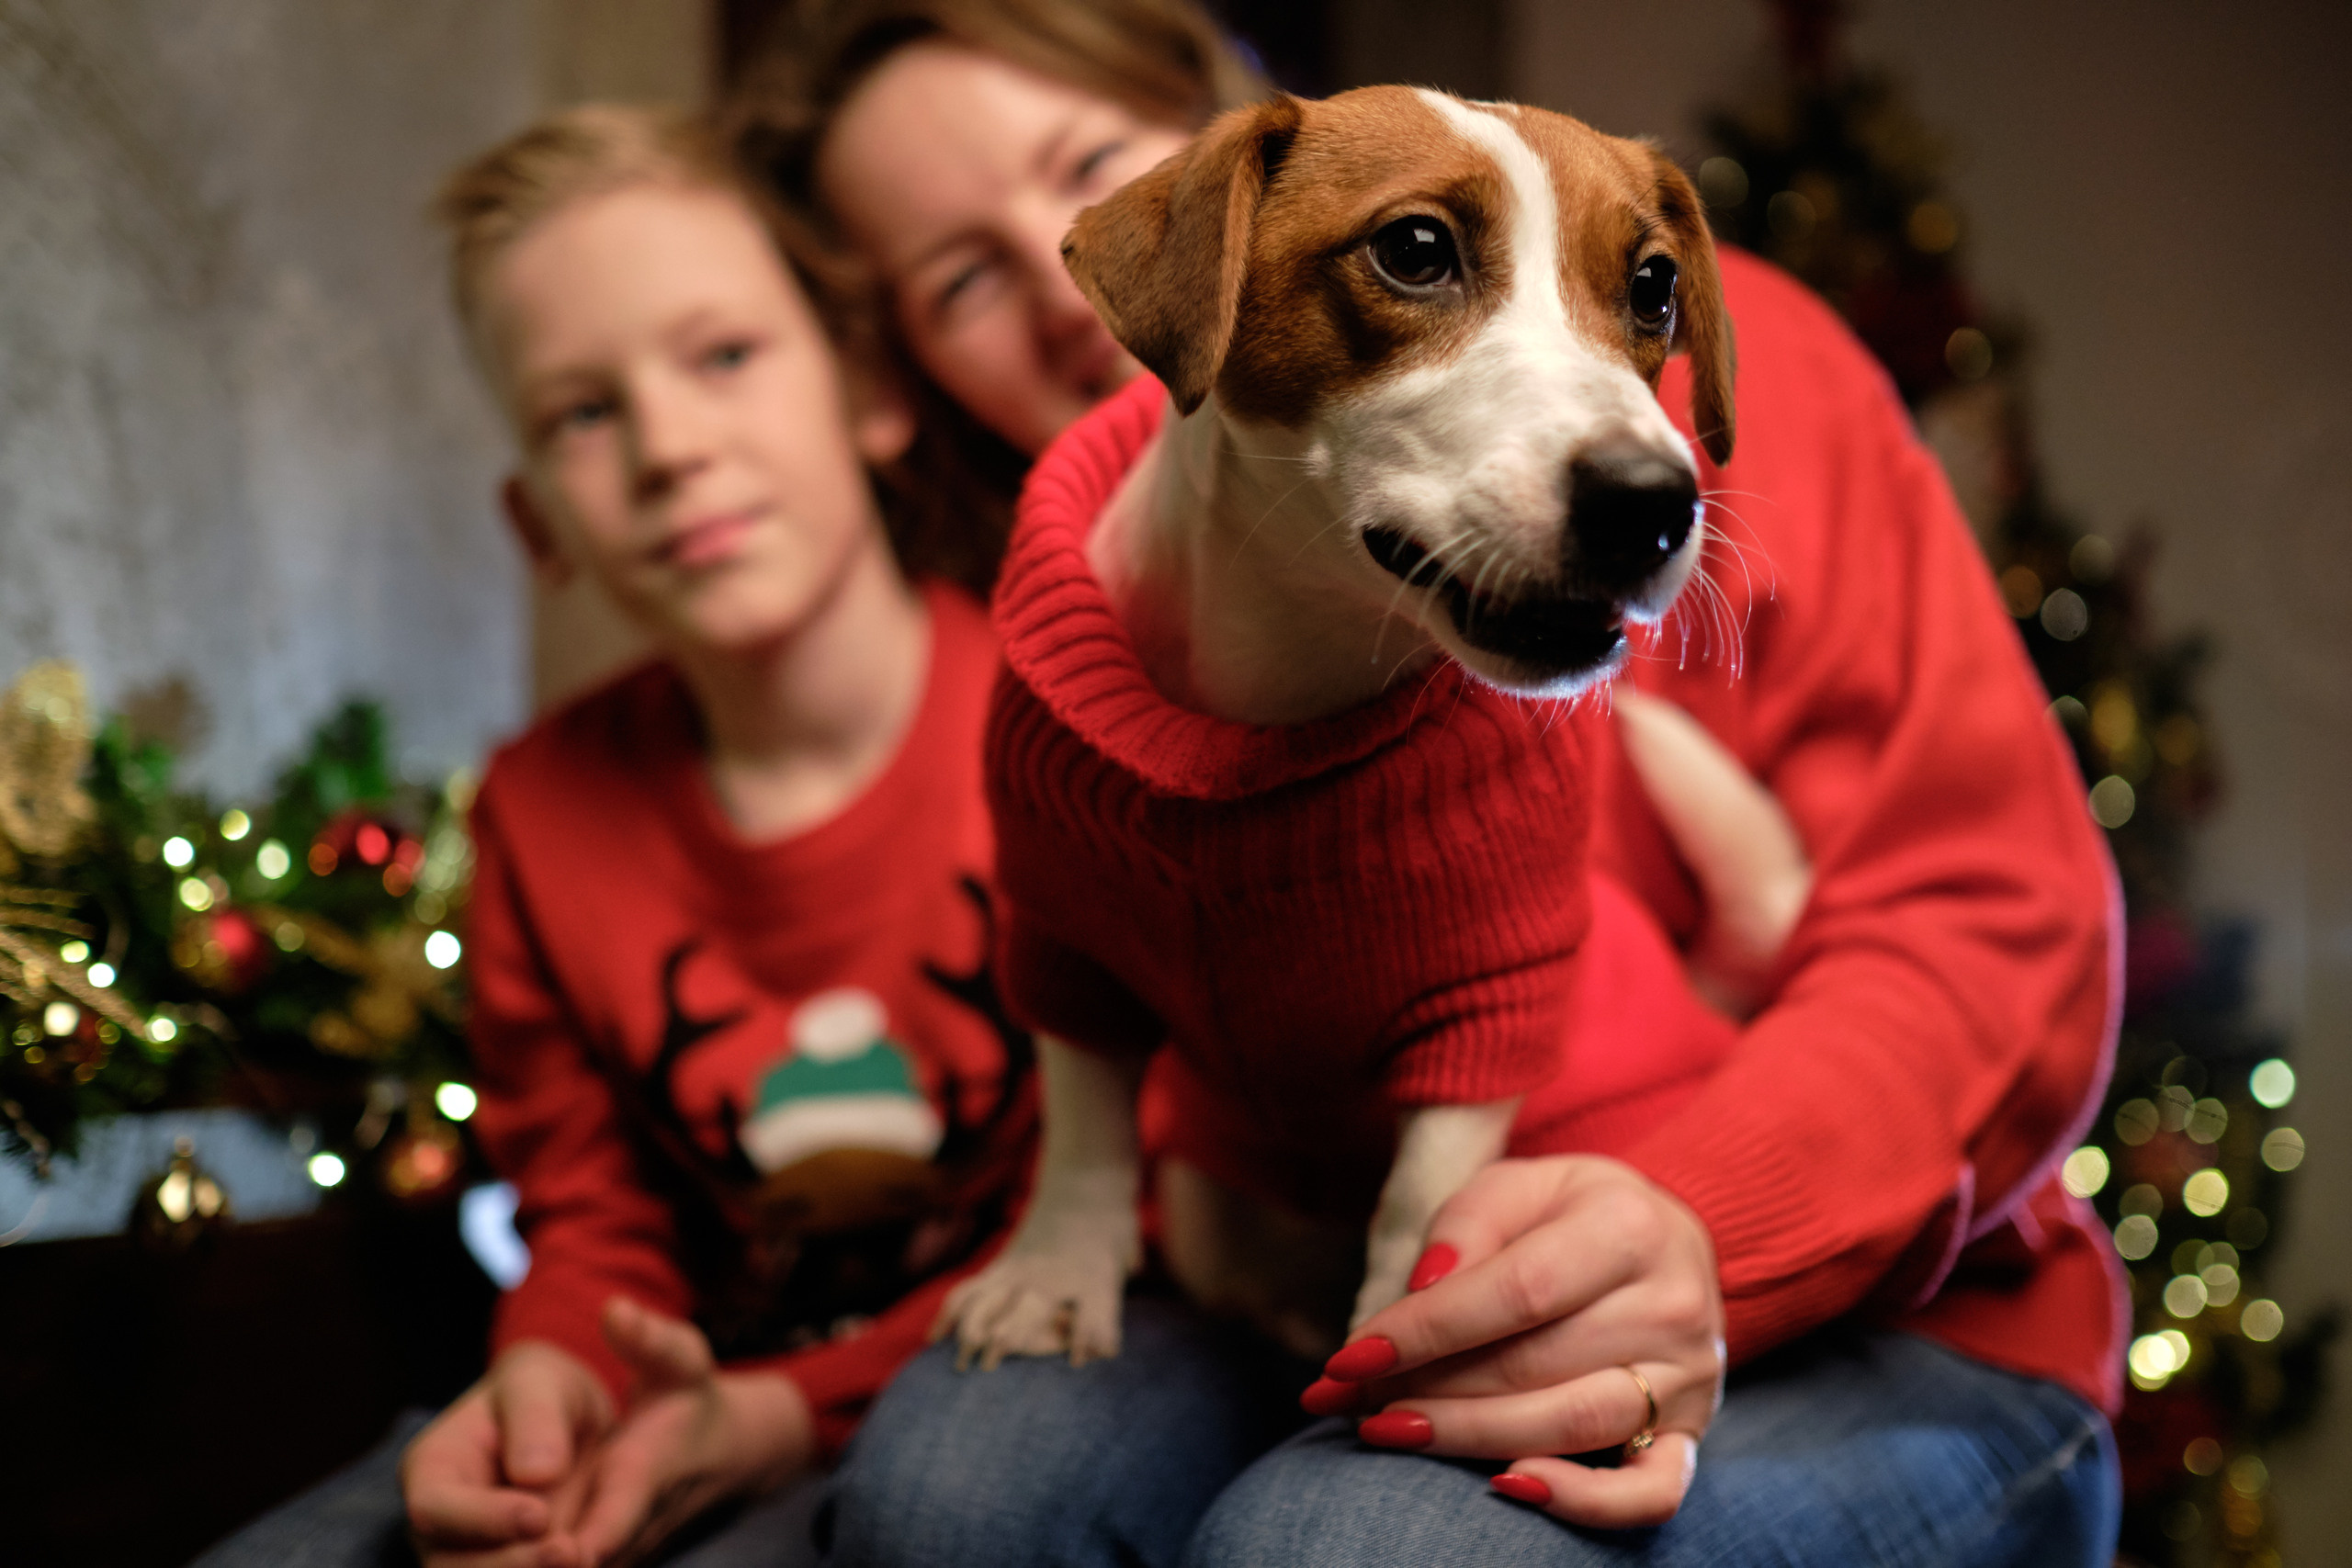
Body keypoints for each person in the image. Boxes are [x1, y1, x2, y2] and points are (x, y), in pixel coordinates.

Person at [724, 2, 2128, 1563]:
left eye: (1084, 160)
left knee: (1356, 1548)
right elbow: (1077, 1074)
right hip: (1303, 1243)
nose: (1062, 270)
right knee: (951, 1504)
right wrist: (783, 1405)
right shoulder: (1061, 630)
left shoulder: (1731, 389)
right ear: (907, 364)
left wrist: (1712, 1219)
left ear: (1217, 119)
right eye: (965, 275)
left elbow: (2000, 920)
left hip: (1900, 1298)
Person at [194, 104, 1033, 1568]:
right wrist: (548, 1384)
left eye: (723, 357)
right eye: (585, 413)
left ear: (870, 392)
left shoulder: (1060, 737)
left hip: (952, 1416)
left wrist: (783, 1412)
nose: (667, 447)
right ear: (540, 524)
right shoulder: (538, 808)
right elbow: (589, 1223)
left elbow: (1132, 1207)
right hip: (657, 1414)